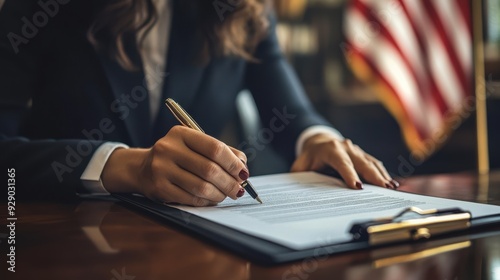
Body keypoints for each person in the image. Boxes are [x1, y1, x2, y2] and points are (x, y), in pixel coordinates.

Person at [0, 0, 398, 205]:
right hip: (70, 243)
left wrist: (317, 139)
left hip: (194, 254)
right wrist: (124, 166)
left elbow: (292, 115)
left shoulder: (243, 11)